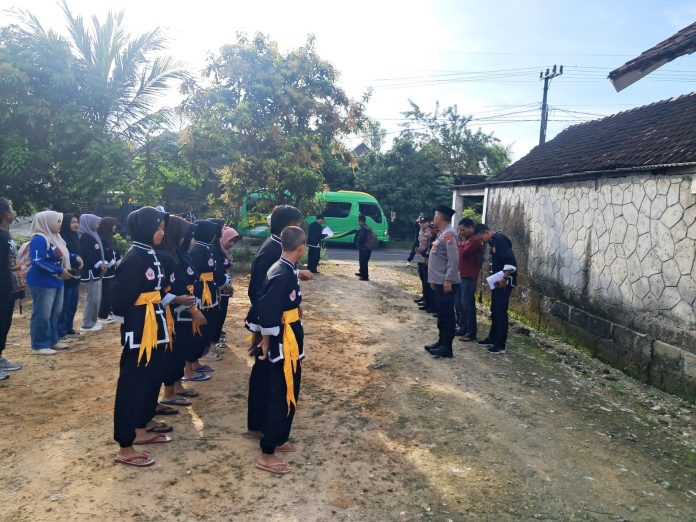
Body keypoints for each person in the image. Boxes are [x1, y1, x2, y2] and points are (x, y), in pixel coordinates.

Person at [112, 206, 172, 467]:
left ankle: (141, 427)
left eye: (162, 228)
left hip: (155, 326)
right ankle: (125, 445)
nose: (161, 232)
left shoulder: (150, 253)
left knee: (151, 379)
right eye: (157, 228)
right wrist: (132, 326)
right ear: (145, 228)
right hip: (139, 331)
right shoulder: (134, 258)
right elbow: (120, 302)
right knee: (132, 385)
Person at [245, 205, 310, 439]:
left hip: (273, 324)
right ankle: (264, 427)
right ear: (290, 226)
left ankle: (262, 424)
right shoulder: (271, 252)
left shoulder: (276, 248)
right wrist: (262, 331)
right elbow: (260, 293)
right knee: (270, 380)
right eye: (298, 224)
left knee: (268, 377)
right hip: (273, 327)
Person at [251, 225, 306, 475]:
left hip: (290, 336)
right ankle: (267, 453)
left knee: (287, 390)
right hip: (283, 341)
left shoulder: (287, 268)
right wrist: (265, 340)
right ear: (301, 248)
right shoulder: (281, 273)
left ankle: (278, 437)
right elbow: (267, 310)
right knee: (281, 393)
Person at [158, 217, 206, 406]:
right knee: (173, 351)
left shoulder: (179, 253)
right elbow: (167, 287)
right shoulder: (165, 256)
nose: (189, 239)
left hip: (184, 308)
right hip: (173, 312)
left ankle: (177, 386)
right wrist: (187, 306)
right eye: (185, 235)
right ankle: (168, 392)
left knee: (181, 349)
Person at [26, 211, 74, 355]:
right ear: (47, 222)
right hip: (42, 282)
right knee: (42, 314)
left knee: (55, 312)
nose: (60, 224)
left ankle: (53, 340)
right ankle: (39, 345)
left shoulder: (55, 237)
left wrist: (74, 257)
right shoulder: (39, 239)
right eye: (57, 221)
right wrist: (59, 271)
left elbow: (59, 255)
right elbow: (37, 261)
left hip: (56, 280)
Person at [424, 205, 461, 359]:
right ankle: (441, 342)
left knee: (447, 315)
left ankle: (447, 348)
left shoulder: (449, 234)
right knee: (441, 314)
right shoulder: (442, 233)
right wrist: (434, 280)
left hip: (447, 283)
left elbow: (453, 259)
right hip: (439, 281)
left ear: (441, 217)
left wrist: (448, 280)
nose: (434, 218)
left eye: (435, 215)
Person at [475, 224, 517, 354]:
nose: (482, 241)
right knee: (494, 310)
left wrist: (504, 278)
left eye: (481, 238)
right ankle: (492, 338)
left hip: (503, 282)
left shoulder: (500, 240)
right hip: (497, 282)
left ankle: (500, 344)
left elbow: (509, 260)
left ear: (486, 232)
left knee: (500, 312)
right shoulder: (493, 241)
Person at [189, 219, 221, 368]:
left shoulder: (206, 248)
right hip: (201, 292)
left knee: (208, 323)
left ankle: (198, 359)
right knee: (199, 326)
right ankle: (193, 361)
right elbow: (194, 273)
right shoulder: (197, 250)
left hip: (209, 289)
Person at [0, 198, 23, 377]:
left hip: (9, 287)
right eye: (10, 208)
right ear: (5, 213)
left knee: (4, 323)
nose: (13, 212)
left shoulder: (6, 233)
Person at [57, 213, 84, 340]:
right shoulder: (61, 238)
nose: (75, 224)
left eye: (77, 222)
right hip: (66, 275)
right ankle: (61, 331)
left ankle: (69, 328)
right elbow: (63, 254)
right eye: (72, 222)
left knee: (73, 304)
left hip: (76, 274)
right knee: (65, 304)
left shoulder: (75, 236)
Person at [456, 218, 483, 343]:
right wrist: (461, 242)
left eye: (463, 230)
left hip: (469, 277)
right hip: (461, 276)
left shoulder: (474, 240)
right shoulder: (466, 240)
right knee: (460, 304)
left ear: (471, 227)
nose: (461, 232)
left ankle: (471, 333)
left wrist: (459, 242)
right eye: (460, 230)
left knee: (468, 305)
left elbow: (462, 253)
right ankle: (463, 328)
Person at [78, 214, 106, 332]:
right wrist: (100, 264)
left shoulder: (92, 234)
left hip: (96, 271)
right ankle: (87, 323)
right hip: (90, 271)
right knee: (92, 298)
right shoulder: (85, 237)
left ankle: (92, 320)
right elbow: (89, 254)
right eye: (96, 223)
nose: (98, 225)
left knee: (97, 297)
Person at [214, 225, 239, 349]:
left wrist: (229, 285)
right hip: (219, 287)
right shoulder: (217, 252)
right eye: (230, 240)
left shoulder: (226, 253)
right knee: (218, 311)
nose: (232, 244)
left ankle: (218, 330)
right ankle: (215, 333)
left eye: (234, 241)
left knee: (223, 310)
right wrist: (224, 284)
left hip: (226, 286)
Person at [97, 217, 120, 324]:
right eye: (113, 224)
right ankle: (103, 315)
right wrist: (110, 262)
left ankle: (109, 311)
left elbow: (116, 251)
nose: (115, 226)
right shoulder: (101, 238)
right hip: (106, 270)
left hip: (113, 269)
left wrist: (118, 260)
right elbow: (103, 253)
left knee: (111, 292)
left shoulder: (111, 237)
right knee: (105, 293)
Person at [413, 215, 435, 313]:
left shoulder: (430, 232)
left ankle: (429, 302)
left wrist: (423, 251)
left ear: (428, 223)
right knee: (423, 280)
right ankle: (425, 298)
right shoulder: (421, 231)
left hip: (427, 259)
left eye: (423, 222)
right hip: (421, 257)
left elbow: (429, 246)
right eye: (420, 222)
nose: (420, 224)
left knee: (427, 282)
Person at [351, 214, 373, 281]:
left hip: (365, 248)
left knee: (364, 262)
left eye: (358, 221)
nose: (358, 222)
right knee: (362, 261)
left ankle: (365, 276)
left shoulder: (363, 228)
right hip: (366, 248)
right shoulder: (366, 227)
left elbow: (361, 238)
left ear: (361, 221)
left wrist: (357, 240)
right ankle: (361, 273)